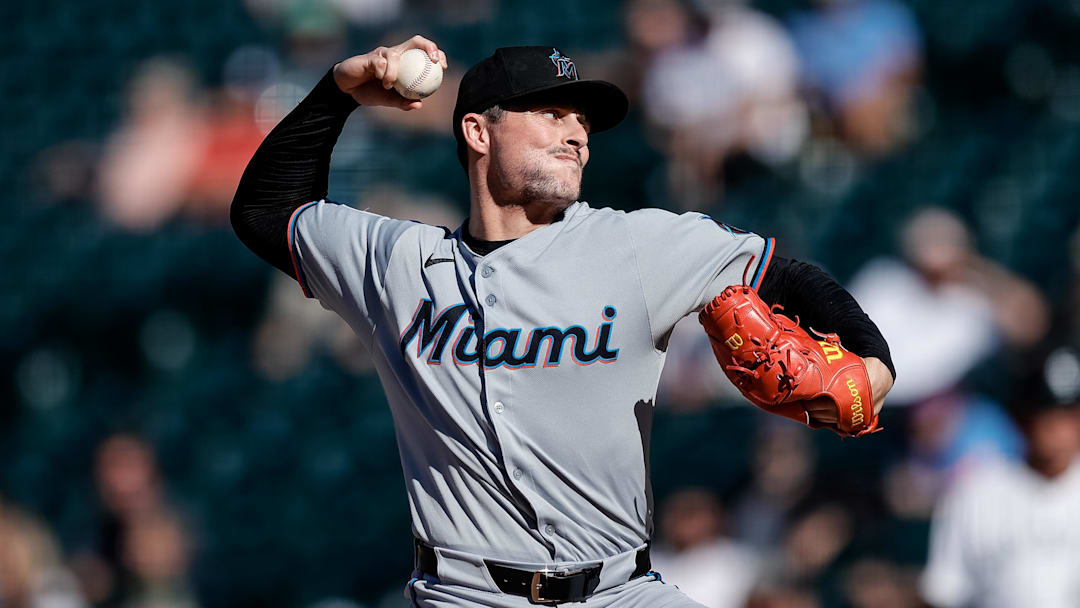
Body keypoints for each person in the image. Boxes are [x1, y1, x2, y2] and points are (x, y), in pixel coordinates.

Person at [230, 36, 895, 607]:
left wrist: (873, 360)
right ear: (478, 132)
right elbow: (264, 210)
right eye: (550, 114)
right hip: (463, 594)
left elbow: (788, 276)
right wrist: (339, 89)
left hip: (620, 589)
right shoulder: (398, 264)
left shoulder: (638, 246)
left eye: (580, 119)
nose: (576, 132)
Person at [920, 347, 1080, 608]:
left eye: (1068, 415)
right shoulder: (975, 491)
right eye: (1044, 412)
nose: (1055, 427)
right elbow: (943, 591)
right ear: (1021, 416)